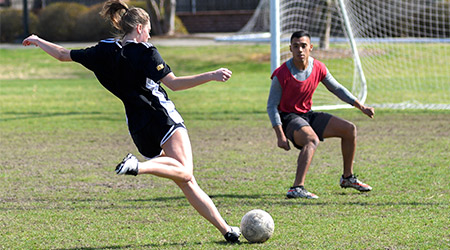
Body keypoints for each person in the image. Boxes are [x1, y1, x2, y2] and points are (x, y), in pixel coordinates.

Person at [22, 0, 240, 243]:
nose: (149, 35)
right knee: (186, 171)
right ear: (138, 28)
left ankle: (226, 230)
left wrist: (38, 40)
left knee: (186, 180)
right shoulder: (147, 52)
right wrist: (212, 75)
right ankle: (138, 166)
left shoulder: (103, 51)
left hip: (138, 127)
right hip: (162, 118)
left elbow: (63, 55)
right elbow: (174, 84)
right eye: (147, 30)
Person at [267, 30, 374, 199]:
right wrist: (280, 135)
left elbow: (337, 88)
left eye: (303, 46)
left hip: (307, 115)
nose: (300, 50)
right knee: (311, 140)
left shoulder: (318, 67)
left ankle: (348, 178)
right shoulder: (281, 73)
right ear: (290, 49)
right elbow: (271, 106)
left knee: (349, 129)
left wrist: (361, 106)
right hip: (288, 118)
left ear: (311, 47)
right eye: (296, 46)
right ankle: (297, 188)